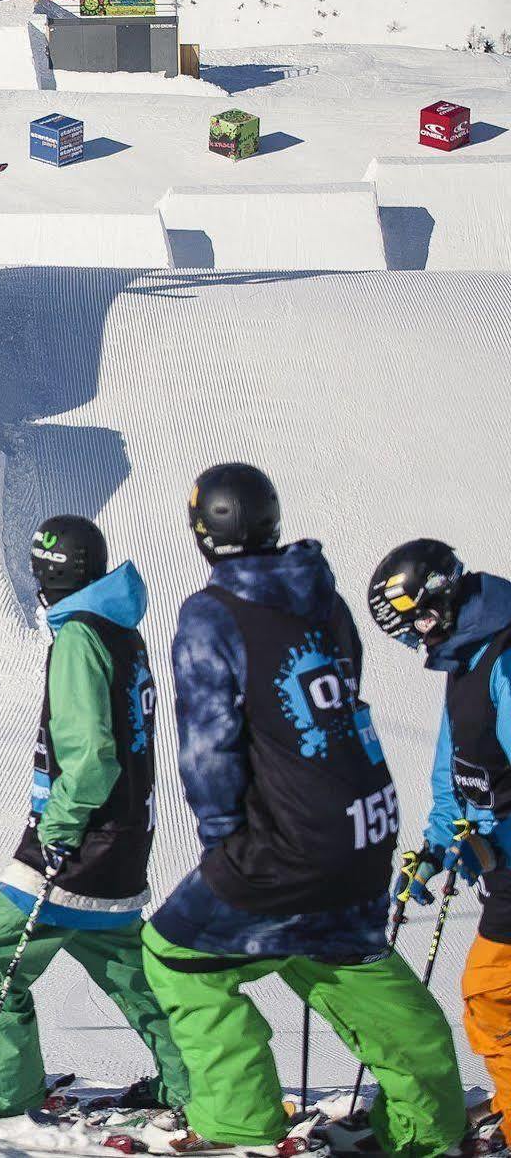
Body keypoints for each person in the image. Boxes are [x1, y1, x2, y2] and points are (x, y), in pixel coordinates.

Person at [138, 466, 464, 1158]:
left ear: (201, 534)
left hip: (290, 841)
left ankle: (238, 1120)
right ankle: (427, 1124)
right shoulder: (323, 593)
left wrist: (225, 841)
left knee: (174, 951)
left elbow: (208, 745)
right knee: (334, 944)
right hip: (363, 822)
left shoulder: (210, 614)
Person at [0, 514, 188, 1117]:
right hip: (124, 842)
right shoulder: (120, 632)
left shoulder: (80, 637)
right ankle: (199, 1081)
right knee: (134, 972)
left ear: (50, 575)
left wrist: (54, 831)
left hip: (77, 842)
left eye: (37, 572)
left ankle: (5, 1094)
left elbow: (90, 758)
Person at [370, 540, 511, 1137]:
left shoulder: (504, 660)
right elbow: (456, 768)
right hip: (499, 859)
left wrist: (494, 841)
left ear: (442, 598)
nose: (417, 640)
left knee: (490, 995)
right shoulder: (466, 658)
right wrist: (437, 847)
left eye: (417, 624)